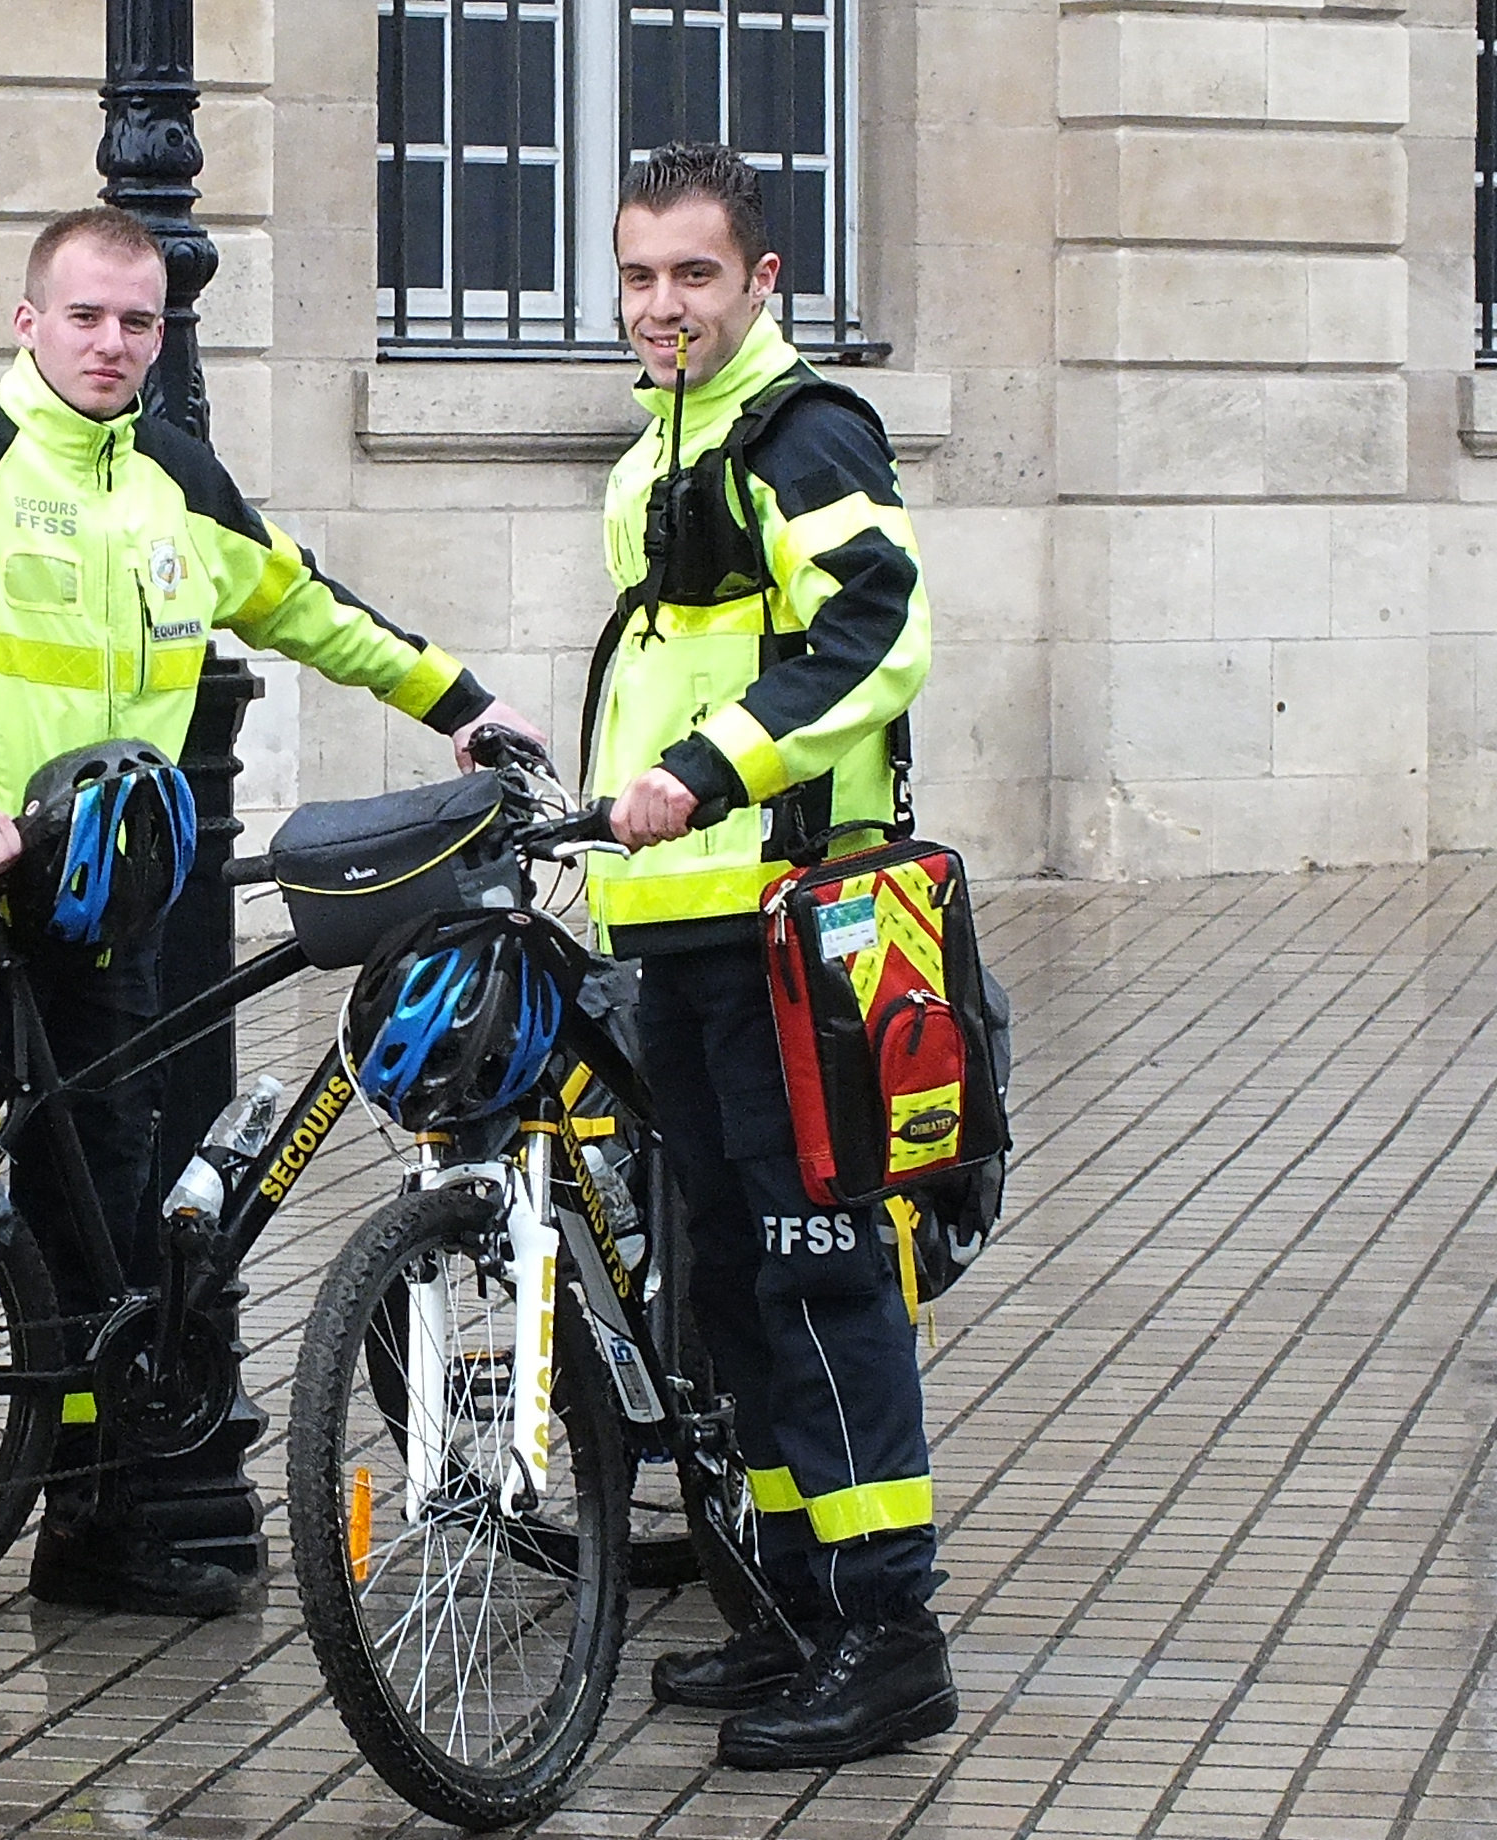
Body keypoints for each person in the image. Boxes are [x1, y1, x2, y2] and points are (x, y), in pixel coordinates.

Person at [0, 205, 545, 1618]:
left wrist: (464, 704)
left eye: (138, 322)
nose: (113, 343)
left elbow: (309, 612)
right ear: (29, 321)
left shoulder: (178, 481)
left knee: (105, 1231)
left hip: (100, 926)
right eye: (86, 315)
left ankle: (94, 1528)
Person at [577, 144, 950, 1769]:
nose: (664, 306)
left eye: (695, 277)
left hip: (783, 927)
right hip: (681, 934)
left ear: (762, 282)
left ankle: (888, 1634)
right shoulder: (677, 435)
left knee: (819, 1282)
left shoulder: (805, 434)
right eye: (641, 277)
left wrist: (709, 772)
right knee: (729, 1283)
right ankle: (793, 1606)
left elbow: (876, 632)